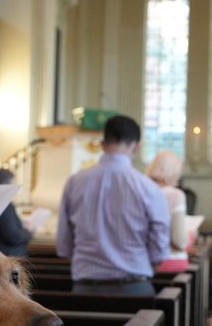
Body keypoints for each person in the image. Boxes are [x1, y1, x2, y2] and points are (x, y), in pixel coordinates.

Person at [56, 115, 170, 296]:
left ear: (103, 144)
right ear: (136, 147)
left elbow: (64, 245)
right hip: (134, 288)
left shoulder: (74, 182)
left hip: (84, 290)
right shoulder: (149, 188)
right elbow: (159, 249)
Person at [145, 150, 189, 250]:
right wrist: (190, 236)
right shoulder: (175, 195)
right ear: (174, 172)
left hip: (144, 256)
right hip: (167, 257)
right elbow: (179, 242)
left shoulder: (143, 191)